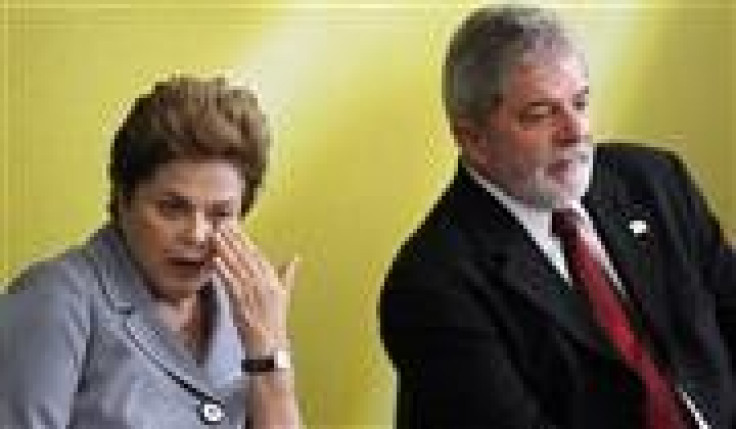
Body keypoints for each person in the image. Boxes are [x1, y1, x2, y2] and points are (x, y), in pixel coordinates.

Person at [379, 5, 736, 429]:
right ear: (472, 139)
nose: (575, 131)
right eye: (541, 114)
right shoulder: (434, 284)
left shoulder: (654, 182)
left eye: (580, 102)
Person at [0, 76, 302, 428]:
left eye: (221, 214)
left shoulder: (243, 309)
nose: (197, 235)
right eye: (172, 208)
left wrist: (270, 351)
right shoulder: (55, 300)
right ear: (123, 199)